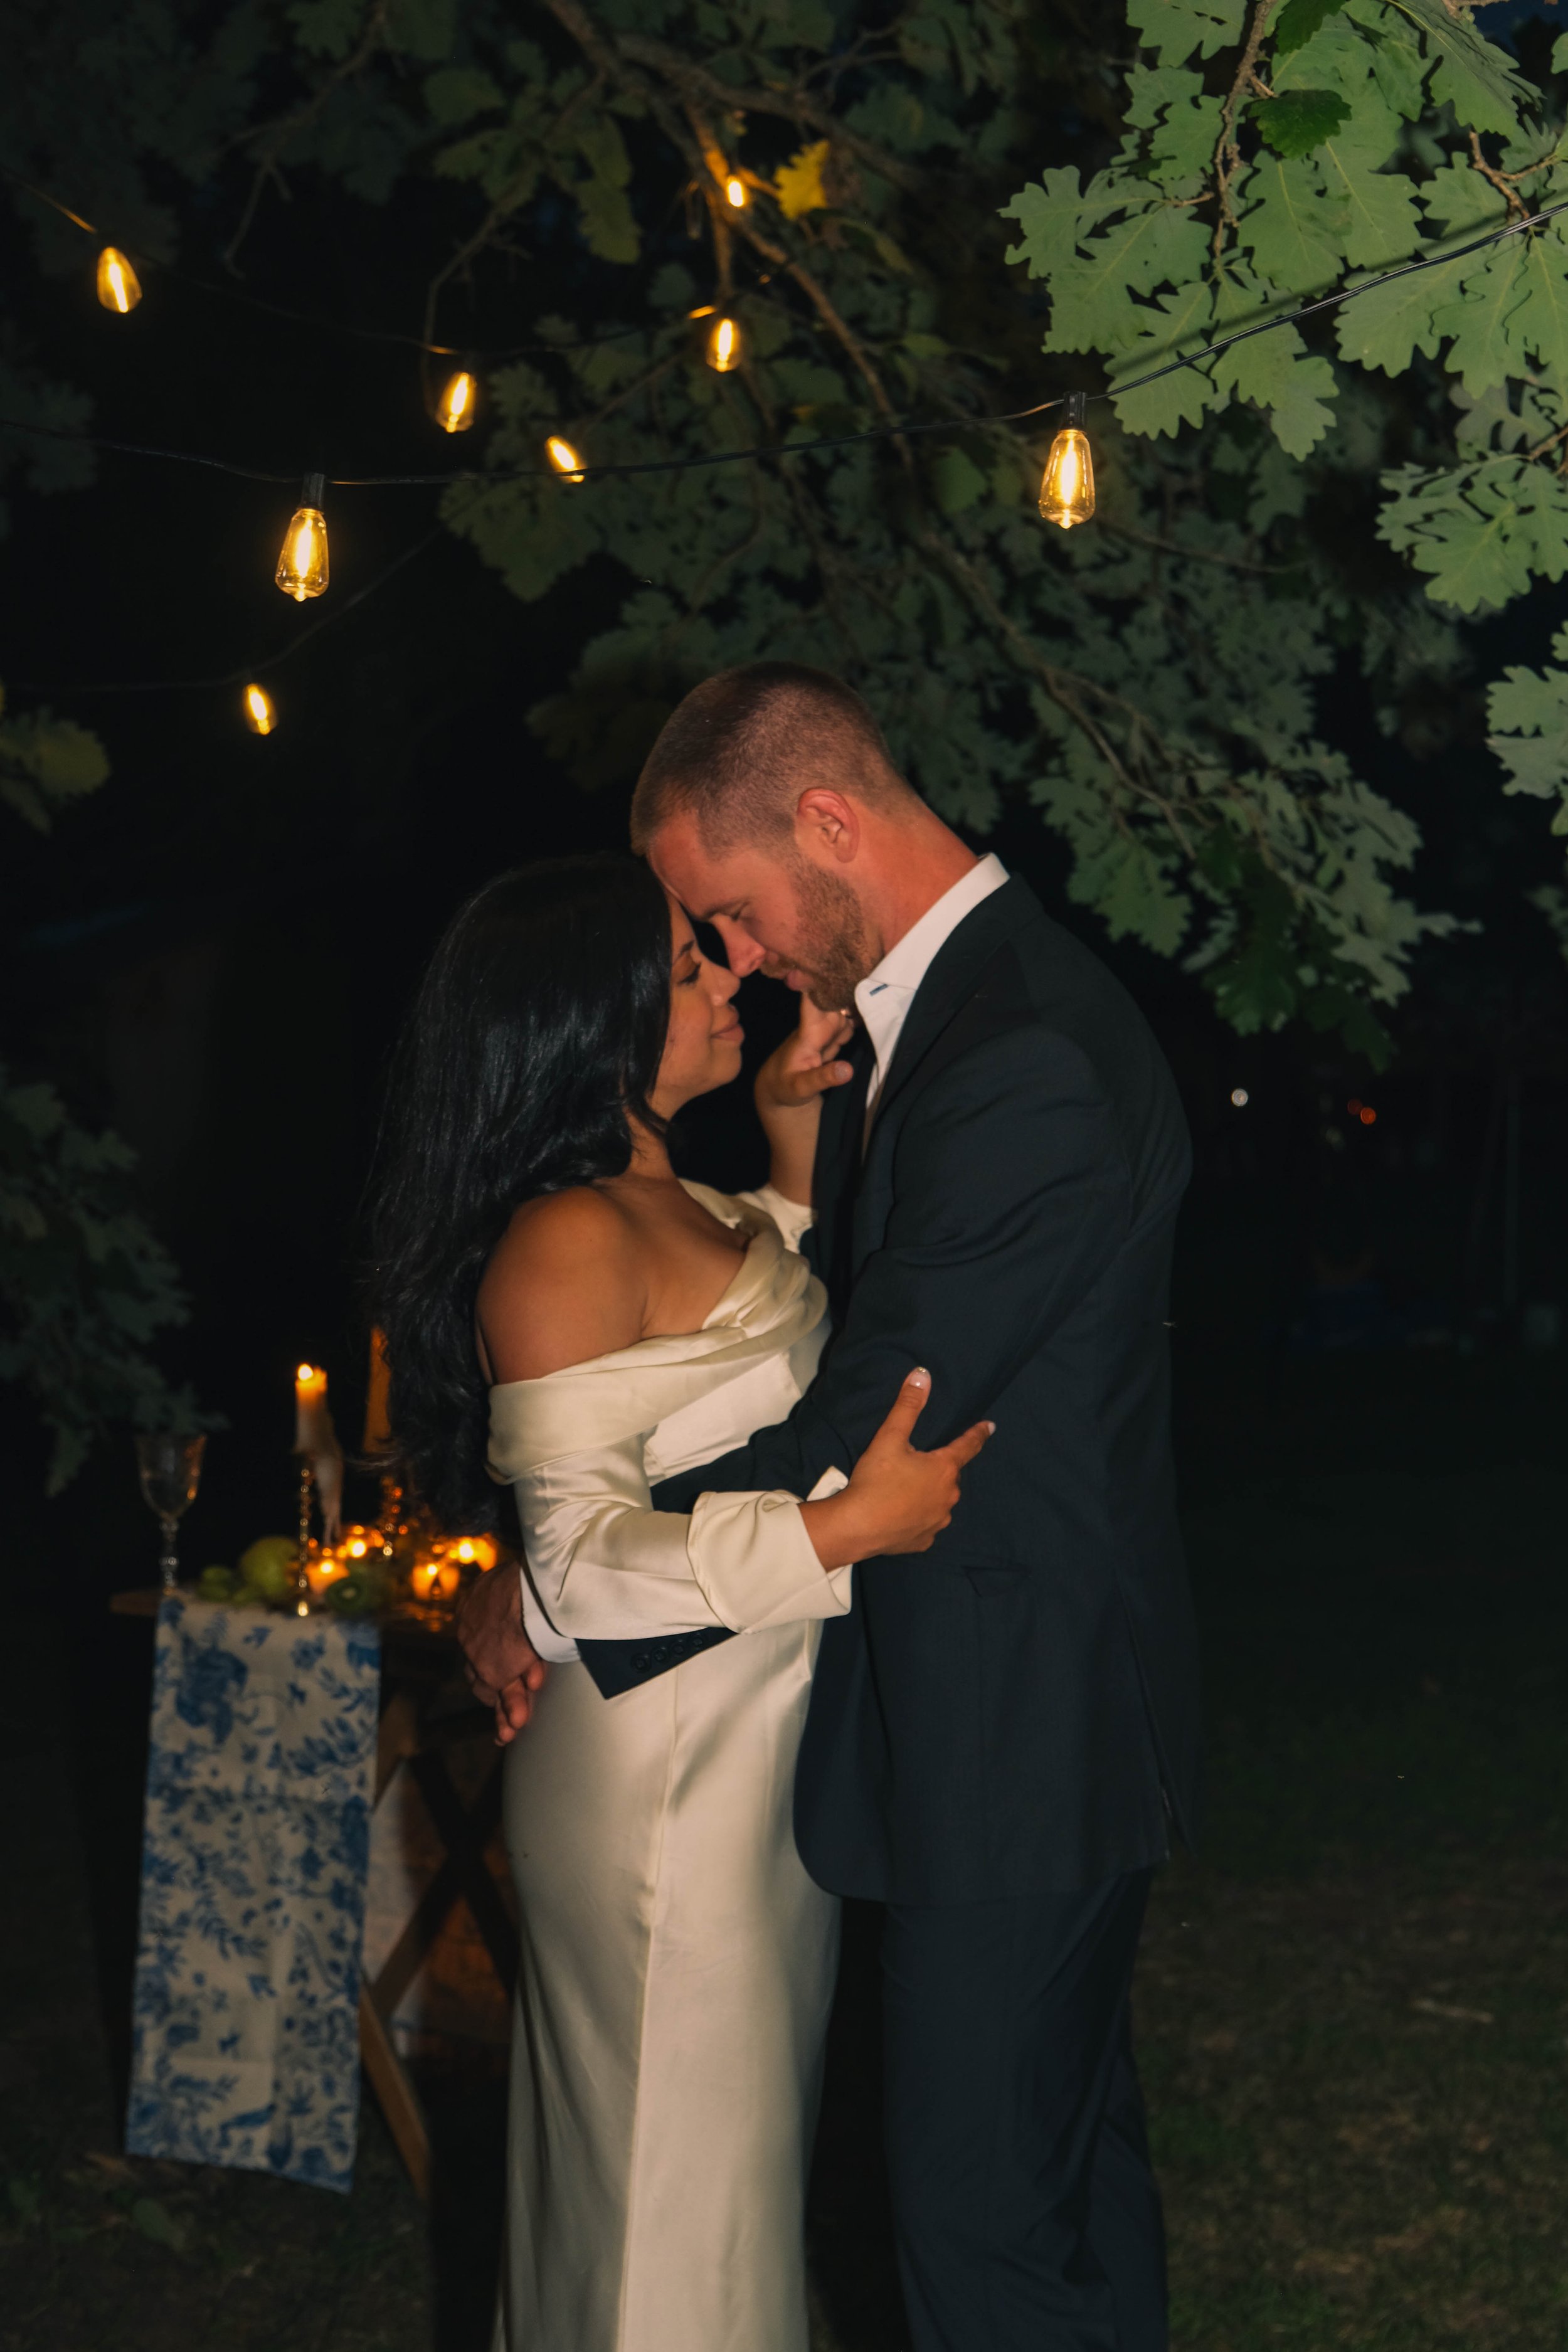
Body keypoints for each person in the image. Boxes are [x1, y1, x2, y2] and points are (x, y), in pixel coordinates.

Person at [462, 664, 1202, 2352]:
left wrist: (554, 1590)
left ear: (824, 821)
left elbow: (875, 1409)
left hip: (1016, 1730)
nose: (737, 955)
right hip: (1003, 1722)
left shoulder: (1013, 1053)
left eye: (725, 908)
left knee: (989, 2242)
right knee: (1056, 2200)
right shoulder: (947, 1025)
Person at [368, 854, 990, 2352]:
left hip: (753, 1763)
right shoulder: (564, 1237)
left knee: (725, 2189)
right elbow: (581, 1566)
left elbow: (730, 1385)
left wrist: (786, 1151)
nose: (729, 971)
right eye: (689, 961)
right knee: (661, 2191)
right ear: (595, 1015)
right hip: (662, 1781)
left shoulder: (688, 1205)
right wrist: (844, 1530)